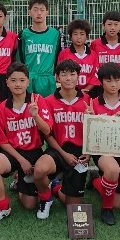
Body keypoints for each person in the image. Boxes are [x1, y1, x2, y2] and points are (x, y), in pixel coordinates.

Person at [0, 62, 52, 225]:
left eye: (22, 80)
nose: (18, 84)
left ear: (28, 81)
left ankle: (34, 187)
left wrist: (35, 116)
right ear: (7, 82)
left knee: (29, 204)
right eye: (13, 80)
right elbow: (2, 140)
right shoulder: (2, 107)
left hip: (34, 151)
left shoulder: (37, 100)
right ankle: (2, 207)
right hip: (13, 153)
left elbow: (48, 130)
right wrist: (21, 160)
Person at [35, 59, 91, 219]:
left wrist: (89, 152)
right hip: (57, 150)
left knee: (71, 205)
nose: (68, 78)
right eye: (64, 74)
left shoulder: (88, 100)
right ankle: (46, 198)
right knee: (39, 170)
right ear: (57, 78)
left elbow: (93, 130)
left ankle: (55, 186)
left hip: (79, 153)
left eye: (72, 74)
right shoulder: (48, 101)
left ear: (78, 77)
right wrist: (62, 153)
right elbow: (48, 134)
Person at [88, 62, 120, 226]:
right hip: (103, 151)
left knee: (119, 203)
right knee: (112, 169)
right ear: (101, 82)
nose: (113, 84)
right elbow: (91, 135)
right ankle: (106, 209)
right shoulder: (94, 103)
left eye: (117, 80)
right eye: (108, 80)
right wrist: (90, 119)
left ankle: (96, 180)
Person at [17, 0, 61, 96]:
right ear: (29, 12)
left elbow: (58, 56)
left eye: (42, 10)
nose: (39, 13)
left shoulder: (55, 34)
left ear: (47, 12)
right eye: (35, 10)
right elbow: (21, 58)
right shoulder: (24, 34)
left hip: (48, 79)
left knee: (48, 110)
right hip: (29, 78)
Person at [57, 19, 99, 95]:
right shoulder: (64, 54)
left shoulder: (93, 55)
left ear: (86, 36)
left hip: (89, 92)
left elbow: (95, 77)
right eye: (75, 34)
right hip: (69, 93)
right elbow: (60, 75)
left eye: (82, 34)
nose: (78, 37)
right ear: (71, 36)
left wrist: (85, 90)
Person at [91, 11, 120, 83]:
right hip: (102, 84)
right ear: (103, 25)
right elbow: (93, 64)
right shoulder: (95, 44)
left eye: (116, 24)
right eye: (109, 24)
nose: (113, 28)